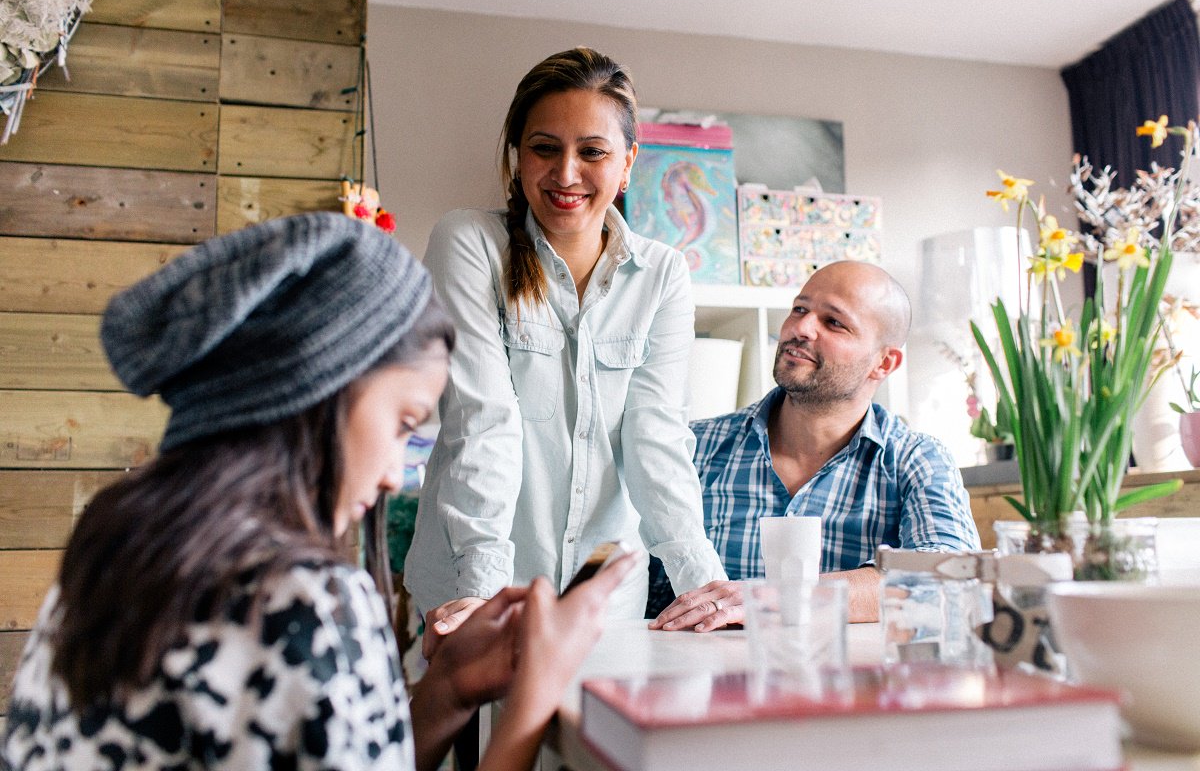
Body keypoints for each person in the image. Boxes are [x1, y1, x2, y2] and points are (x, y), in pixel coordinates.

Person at [1, 213, 637, 771]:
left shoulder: (119, 549)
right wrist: (534, 699)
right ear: (320, 392)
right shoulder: (300, 597)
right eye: (403, 424)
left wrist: (446, 689)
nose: (396, 472)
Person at [405, 46, 725, 648]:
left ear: (628, 162)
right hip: (473, 587)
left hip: (602, 599)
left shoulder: (662, 274)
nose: (566, 173)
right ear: (517, 156)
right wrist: (485, 590)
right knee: (483, 742)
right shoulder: (469, 243)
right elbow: (483, 421)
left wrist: (701, 585)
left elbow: (655, 437)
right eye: (544, 148)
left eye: (593, 152)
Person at [649, 260, 981, 630]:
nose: (801, 328)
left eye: (834, 322)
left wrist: (776, 596)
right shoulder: (695, 447)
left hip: (850, 684)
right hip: (698, 678)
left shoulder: (917, 459)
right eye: (800, 309)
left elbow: (953, 575)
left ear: (884, 363)